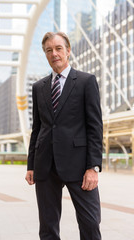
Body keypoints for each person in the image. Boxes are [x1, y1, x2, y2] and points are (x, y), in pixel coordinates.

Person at [25, 31, 103, 240]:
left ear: (68, 51)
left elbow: (95, 127)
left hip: (79, 165)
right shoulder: (38, 87)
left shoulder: (86, 81)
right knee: (48, 227)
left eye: (59, 48)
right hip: (45, 164)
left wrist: (93, 167)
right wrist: (31, 164)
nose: (54, 54)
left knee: (90, 223)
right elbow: (37, 128)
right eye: (49, 50)